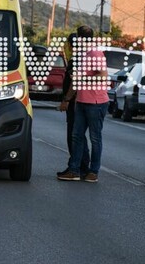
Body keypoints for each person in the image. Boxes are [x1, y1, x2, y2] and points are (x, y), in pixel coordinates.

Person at [57, 25, 108, 183]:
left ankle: (93, 172)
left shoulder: (95, 53)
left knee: (95, 138)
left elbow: (102, 76)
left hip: (96, 102)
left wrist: (82, 80)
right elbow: (75, 82)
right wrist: (67, 99)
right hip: (81, 101)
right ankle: (74, 170)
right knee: (76, 136)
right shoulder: (84, 54)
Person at [57, 32, 90, 178]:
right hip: (81, 102)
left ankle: (77, 167)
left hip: (75, 103)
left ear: (70, 45)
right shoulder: (83, 57)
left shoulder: (76, 59)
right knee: (79, 135)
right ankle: (82, 167)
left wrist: (67, 100)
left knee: (74, 136)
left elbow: (74, 82)